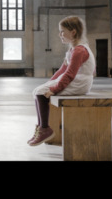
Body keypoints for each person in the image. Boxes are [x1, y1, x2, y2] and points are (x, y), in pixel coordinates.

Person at [28, 16, 96, 146]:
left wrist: (54, 89)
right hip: (76, 80)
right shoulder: (72, 49)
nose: (60, 34)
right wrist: (48, 84)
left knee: (41, 92)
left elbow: (69, 75)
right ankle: (42, 127)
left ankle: (45, 129)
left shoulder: (79, 50)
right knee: (38, 90)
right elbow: (62, 70)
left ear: (73, 32)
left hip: (80, 83)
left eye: (62, 31)